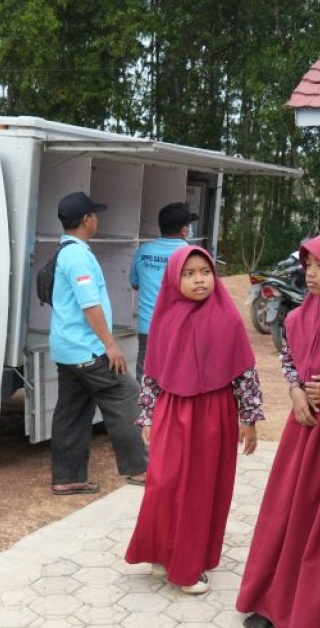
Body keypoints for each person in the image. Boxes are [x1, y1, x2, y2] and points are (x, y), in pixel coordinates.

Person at [236, 230, 320, 628]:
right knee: (291, 512)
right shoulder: (299, 314)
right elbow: (290, 361)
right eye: (309, 264)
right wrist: (294, 391)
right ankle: (276, 600)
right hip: (305, 428)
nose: (311, 273)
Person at [125, 245, 262, 595]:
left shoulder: (227, 316)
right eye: (189, 274)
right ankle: (161, 552)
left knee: (201, 488)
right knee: (164, 483)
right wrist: (147, 416)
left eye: (205, 272)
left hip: (215, 413)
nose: (199, 279)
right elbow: (152, 373)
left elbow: (244, 370)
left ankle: (186, 566)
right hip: (172, 409)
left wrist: (249, 417)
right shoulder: (165, 316)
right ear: (174, 278)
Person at [48, 191, 148, 496]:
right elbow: (89, 304)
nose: (97, 219)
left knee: (72, 413)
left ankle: (68, 477)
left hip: (66, 348)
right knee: (126, 395)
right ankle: (140, 469)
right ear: (87, 219)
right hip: (87, 349)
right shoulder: (78, 256)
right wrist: (110, 345)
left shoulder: (64, 251)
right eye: (95, 214)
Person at [129, 202, 197, 378]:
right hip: (178, 329)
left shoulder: (143, 251)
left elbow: (135, 283)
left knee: (145, 379)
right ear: (184, 230)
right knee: (176, 378)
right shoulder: (191, 254)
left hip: (148, 328)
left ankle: (145, 406)